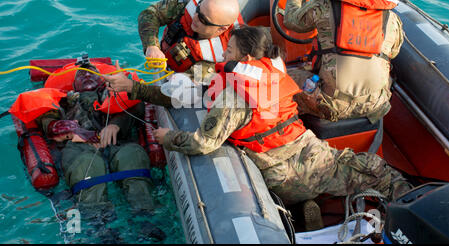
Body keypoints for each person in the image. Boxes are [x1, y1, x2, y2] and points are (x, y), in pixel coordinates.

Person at [105, 26, 411, 231]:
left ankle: (298, 212)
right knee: (377, 170)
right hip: (313, 157)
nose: (224, 55)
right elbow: (312, 107)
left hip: (281, 177)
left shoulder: (232, 97)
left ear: (246, 57)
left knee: (309, 185)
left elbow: (202, 143)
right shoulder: (279, 74)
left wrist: (167, 137)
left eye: (229, 51)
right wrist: (136, 87)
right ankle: (407, 214)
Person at [35, 60, 165, 242]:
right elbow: (49, 125)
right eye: (81, 73)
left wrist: (115, 125)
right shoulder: (61, 101)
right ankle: (101, 226)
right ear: (73, 83)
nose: (87, 75)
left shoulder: (114, 92)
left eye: (92, 72)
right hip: (79, 149)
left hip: (117, 142)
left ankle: (145, 216)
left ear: (101, 77)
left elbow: (137, 106)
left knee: (132, 157)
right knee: (89, 168)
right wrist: (77, 131)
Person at [283, 0, 404, 123]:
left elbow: (291, 21)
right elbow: (393, 51)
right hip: (374, 105)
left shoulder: (324, 5)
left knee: (278, 77)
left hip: (330, 104)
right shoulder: (391, 18)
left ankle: (283, 131)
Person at [138, 0, 243, 82]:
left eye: (203, 20)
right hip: (161, 59)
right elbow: (150, 14)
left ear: (221, 28)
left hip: (185, 84)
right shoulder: (191, 3)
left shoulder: (225, 54)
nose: (195, 17)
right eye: (198, 10)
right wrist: (151, 46)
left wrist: (134, 88)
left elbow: (185, 91)